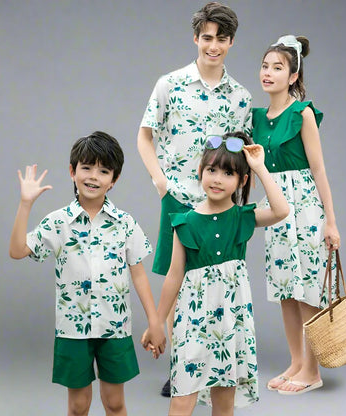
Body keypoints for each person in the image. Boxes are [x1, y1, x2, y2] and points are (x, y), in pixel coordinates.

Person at [137, 1, 252, 396]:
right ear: (195, 38)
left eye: (221, 39)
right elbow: (145, 135)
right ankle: (182, 370)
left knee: (215, 285)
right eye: (207, 38)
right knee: (180, 282)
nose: (213, 46)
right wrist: (160, 181)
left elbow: (243, 154)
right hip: (180, 199)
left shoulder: (240, 97)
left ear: (231, 42)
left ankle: (218, 367)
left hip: (221, 205)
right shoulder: (170, 84)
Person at [9, 131, 166, 416]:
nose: (94, 176)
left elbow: (139, 274)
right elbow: (18, 250)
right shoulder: (57, 223)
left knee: (115, 404)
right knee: (78, 406)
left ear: (114, 179)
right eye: (86, 167)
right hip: (72, 331)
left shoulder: (125, 223)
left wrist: (155, 321)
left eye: (104, 170)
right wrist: (25, 204)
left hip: (115, 328)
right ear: (72, 171)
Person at [143, 131, 289, 415]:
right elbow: (174, 276)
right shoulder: (185, 222)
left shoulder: (242, 217)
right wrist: (158, 322)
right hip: (193, 324)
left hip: (231, 325)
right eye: (211, 170)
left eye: (228, 173)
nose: (218, 179)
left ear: (242, 181)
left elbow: (281, 209)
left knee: (224, 402)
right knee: (183, 397)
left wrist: (259, 166)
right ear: (200, 171)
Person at [252, 35, 341, 395]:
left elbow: (319, 170)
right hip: (274, 208)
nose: (268, 73)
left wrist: (331, 221)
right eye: (265, 66)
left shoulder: (302, 113)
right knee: (285, 288)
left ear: (293, 76)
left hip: (304, 208)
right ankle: (296, 362)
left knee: (306, 289)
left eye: (278, 67)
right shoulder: (257, 117)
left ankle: (313, 370)